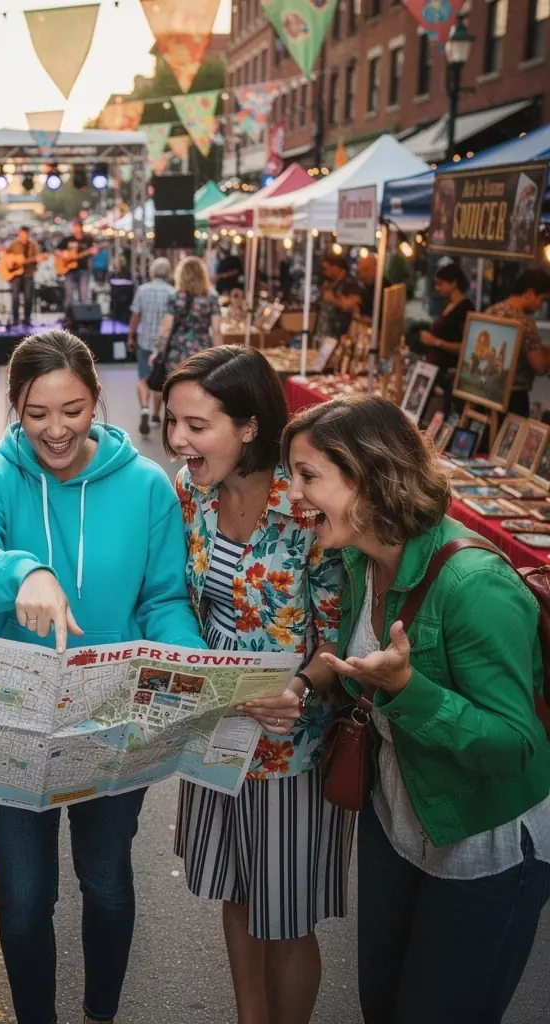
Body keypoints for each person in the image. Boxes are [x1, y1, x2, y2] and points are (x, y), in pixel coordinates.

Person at [0, 330, 204, 1024]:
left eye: (73, 410)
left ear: (97, 400)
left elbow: (164, 598)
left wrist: (191, 664)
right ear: (15, 408)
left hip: (114, 716)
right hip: (13, 715)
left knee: (108, 881)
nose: (55, 430)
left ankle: (99, 1013)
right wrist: (22, 572)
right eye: (37, 413)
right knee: (24, 898)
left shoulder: (146, 484)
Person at [283, 394, 550, 1023]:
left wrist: (408, 690)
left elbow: (515, 745)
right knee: (381, 1001)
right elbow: (355, 667)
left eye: (308, 476)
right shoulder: (359, 559)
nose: (293, 494)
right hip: (397, 816)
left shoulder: (475, 584)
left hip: (480, 843)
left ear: (368, 477)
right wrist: (307, 685)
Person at [163, 347, 352, 1024]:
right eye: (172, 422)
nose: (177, 440)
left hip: (288, 743)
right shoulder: (189, 493)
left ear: (249, 426)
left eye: (196, 425)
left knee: (288, 916)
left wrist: (299, 688)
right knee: (237, 892)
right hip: (213, 729)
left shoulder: (306, 510)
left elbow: (338, 639)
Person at [486, 267, 550, 417]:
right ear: (529, 293)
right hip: (512, 398)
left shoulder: (491, 311)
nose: (541, 306)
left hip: (485, 391)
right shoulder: (524, 322)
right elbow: (540, 366)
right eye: (542, 300)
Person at [128, 256, 176, 436]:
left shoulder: (142, 290)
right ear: (169, 273)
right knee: (159, 379)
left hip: (145, 341)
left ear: (152, 271)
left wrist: (130, 335)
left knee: (143, 377)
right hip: (164, 344)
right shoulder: (173, 292)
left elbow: (135, 315)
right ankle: (156, 415)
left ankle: (144, 408)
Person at [150, 256, 219, 377]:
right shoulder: (211, 298)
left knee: (176, 384)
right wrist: (221, 356)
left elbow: (166, 328)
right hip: (202, 352)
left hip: (178, 352)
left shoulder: (175, 297)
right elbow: (217, 330)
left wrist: (157, 352)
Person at [420, 262, 475, 404]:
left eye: (440, 284)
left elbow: (467, 346)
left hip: (449, 372)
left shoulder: (466, 308)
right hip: (435, 368)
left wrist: (436, 342)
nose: (437, 288)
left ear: (454, 283)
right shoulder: (449, 305)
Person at [4, 225, 39, 327]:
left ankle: (27, 319)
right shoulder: (14, 244)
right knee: (15, 298)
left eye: (25, 234)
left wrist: (36, 261)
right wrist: (10, 262)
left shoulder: (33, 245)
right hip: (16, 275)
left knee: (28, 298)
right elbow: (5, 255)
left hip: (28, 274)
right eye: (21, 234)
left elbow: (36, 258)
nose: (23, 236)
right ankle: (15, 320)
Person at [55, 219, 95, 306]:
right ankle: (69, 313)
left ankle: (82, 313)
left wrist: (93, 252)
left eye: (77, 227)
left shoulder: (88, 239)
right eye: (75, 227)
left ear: (81, 227)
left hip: (83, 269)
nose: (76, 229)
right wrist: (64, 254)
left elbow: (93, 250)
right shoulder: (68, 239)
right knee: (69, 295)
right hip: (69, 270)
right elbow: (57, 251)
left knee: (83, 295)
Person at [356, 252, 391, 322]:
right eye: (360, 271)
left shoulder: (386, 289)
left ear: (377, 268)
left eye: (366, 269)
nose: (362, 275)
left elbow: (383, 319)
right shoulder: (365, 287)